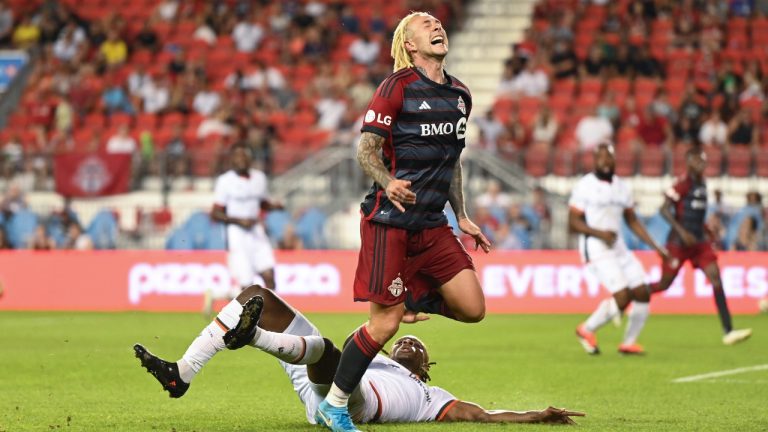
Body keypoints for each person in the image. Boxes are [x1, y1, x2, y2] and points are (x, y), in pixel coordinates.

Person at [315, 12, 491, 432]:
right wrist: (388, 181)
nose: (436, 26)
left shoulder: (460, 95)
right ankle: (335, 404)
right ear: (409, 44)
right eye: (424, 23)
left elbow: (453, 162)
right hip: (389, 221)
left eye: (437, 22)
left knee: (473, 308)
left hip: (431, 223)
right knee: (384, 324)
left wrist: (462, 215)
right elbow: (365, 150)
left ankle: (408, 297)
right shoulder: (395, 87)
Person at [134, 286, 585, 426]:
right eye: (403, 343)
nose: (408, 347)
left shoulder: (431, 397)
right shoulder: (375, 350)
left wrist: (534, 416)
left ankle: (250, 338)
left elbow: (482, 415)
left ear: (425, 369)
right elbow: (368, 336)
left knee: (327, 352)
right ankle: (183, 372)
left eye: (417, 352)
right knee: (259, 296)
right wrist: (397, 319)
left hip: (354, 402)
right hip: (319, 372)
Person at [570, 142, 670, 355]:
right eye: (600, 157)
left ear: (615, 160)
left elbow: (632, 221)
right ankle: (586, 329)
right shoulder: (585, 185)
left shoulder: (622, 187)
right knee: (623, 296)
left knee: (642, 291)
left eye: (608, 157)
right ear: (594, 160)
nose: (604, 161)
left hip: (618, 246)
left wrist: (656, 247)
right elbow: (573, 222)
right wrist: (599, 233)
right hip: (595, 245)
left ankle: (629, 342)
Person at [651, 149, 752, 345]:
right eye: (698, 160)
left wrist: (705, 230)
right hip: (679, 243)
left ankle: (728, 331)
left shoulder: (703, 184)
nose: (702, 164)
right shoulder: (683, 184)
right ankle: (630, 295)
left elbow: (695, 215)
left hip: (698, 242)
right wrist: (682, 232)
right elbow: (663, 209)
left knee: (715, 276)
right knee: (664, 284)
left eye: (703, 161)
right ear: (688, 163)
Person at [210, 144, 278, 301]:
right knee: (247, 285)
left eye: (244, 156)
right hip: (236, 234)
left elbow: (263, 203)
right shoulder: (225, 181)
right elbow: (215, 213)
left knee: (269, 276)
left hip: (256, 230)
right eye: (237, 157)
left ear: (250, 159)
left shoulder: (259, 178)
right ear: (232, 161)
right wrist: (238, 220)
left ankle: (269, 316)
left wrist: (274, 206)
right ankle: (232, 310)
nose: (240, 160)